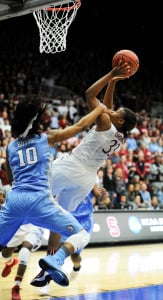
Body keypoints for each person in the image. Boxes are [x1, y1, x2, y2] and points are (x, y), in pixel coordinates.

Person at [31, 61, 138, 286]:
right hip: (86, 179)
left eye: (116, 111)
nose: (111, 109)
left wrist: (110, 74)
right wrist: (113, 83)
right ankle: (50, 267)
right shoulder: (119, 134)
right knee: (58, 222)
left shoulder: (106, 121)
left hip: (70, 166)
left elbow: (90, 94)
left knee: (25, 192)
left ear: (119, 119)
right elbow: (108, 107)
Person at [0, 95, 107, 292]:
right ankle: (54, 260)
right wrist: (99, 110)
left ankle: (12, 255)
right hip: (40, 200)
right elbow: (78, 126)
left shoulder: (10, 147)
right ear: (36, 120)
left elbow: (10, 178)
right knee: (81, 235)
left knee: (4, 247)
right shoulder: (47, 138)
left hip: (15, 200)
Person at [0, 224, 44, 300]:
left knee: (25, 251)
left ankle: (17, 286)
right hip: (20, 222)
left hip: (36, 223)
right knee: (6, 254)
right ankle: (11, 262)